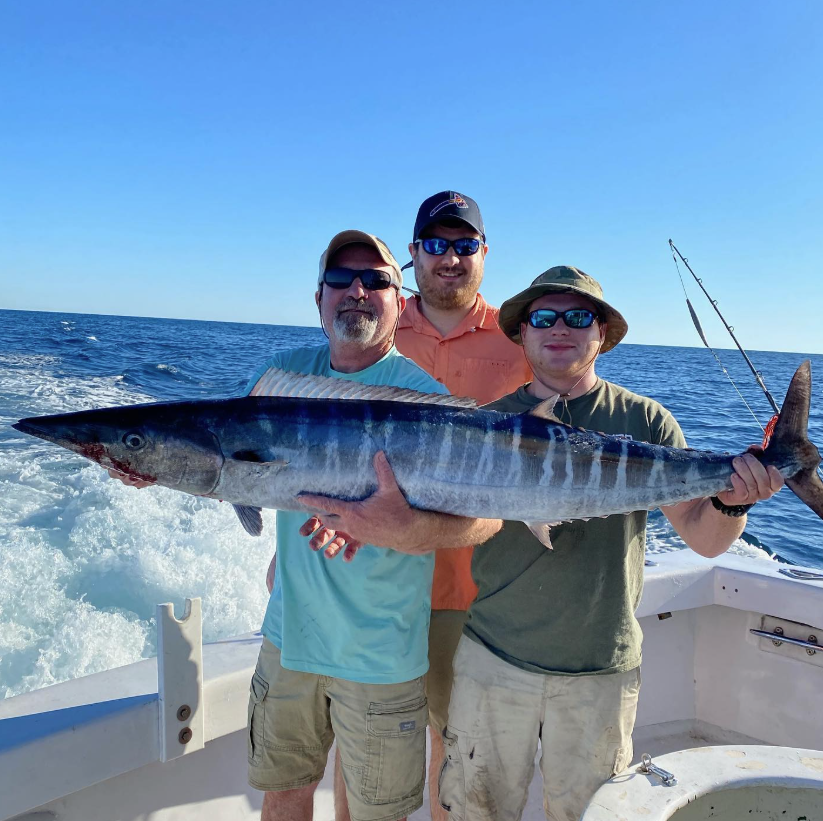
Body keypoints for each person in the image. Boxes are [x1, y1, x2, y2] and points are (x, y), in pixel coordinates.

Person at [304, 265, 783, 821]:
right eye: (543, 317)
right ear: (523, 333)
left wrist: (735, 498)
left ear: (600, 332)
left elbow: (704, 539)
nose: (560, 328)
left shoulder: (647, 421)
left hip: (600, 668)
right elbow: (427, 522)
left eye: (578, 317)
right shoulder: (481, 423)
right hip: (491, 661)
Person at [243, 230, 501, 821]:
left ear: (399, 302)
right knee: (283, 794)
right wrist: (142, 461)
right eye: (340, 279)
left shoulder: (422, 397)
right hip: (289, 639)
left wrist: (402, 528)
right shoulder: (278, 379)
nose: (357, 291)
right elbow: (233, 467)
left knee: (372, 814)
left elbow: (487, 519)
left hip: (380, 654)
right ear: (319, 299)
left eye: (377, 280)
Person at [396, 190, 531, 820]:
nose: (449, 258)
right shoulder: (372, 323)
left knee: (458, 756)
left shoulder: (522, 338)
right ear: (413, 254)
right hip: (370, 587)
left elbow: (582, 420)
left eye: (464, 244)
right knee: (365, 750)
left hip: (475, 591)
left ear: (484, 253)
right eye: (434, 244)